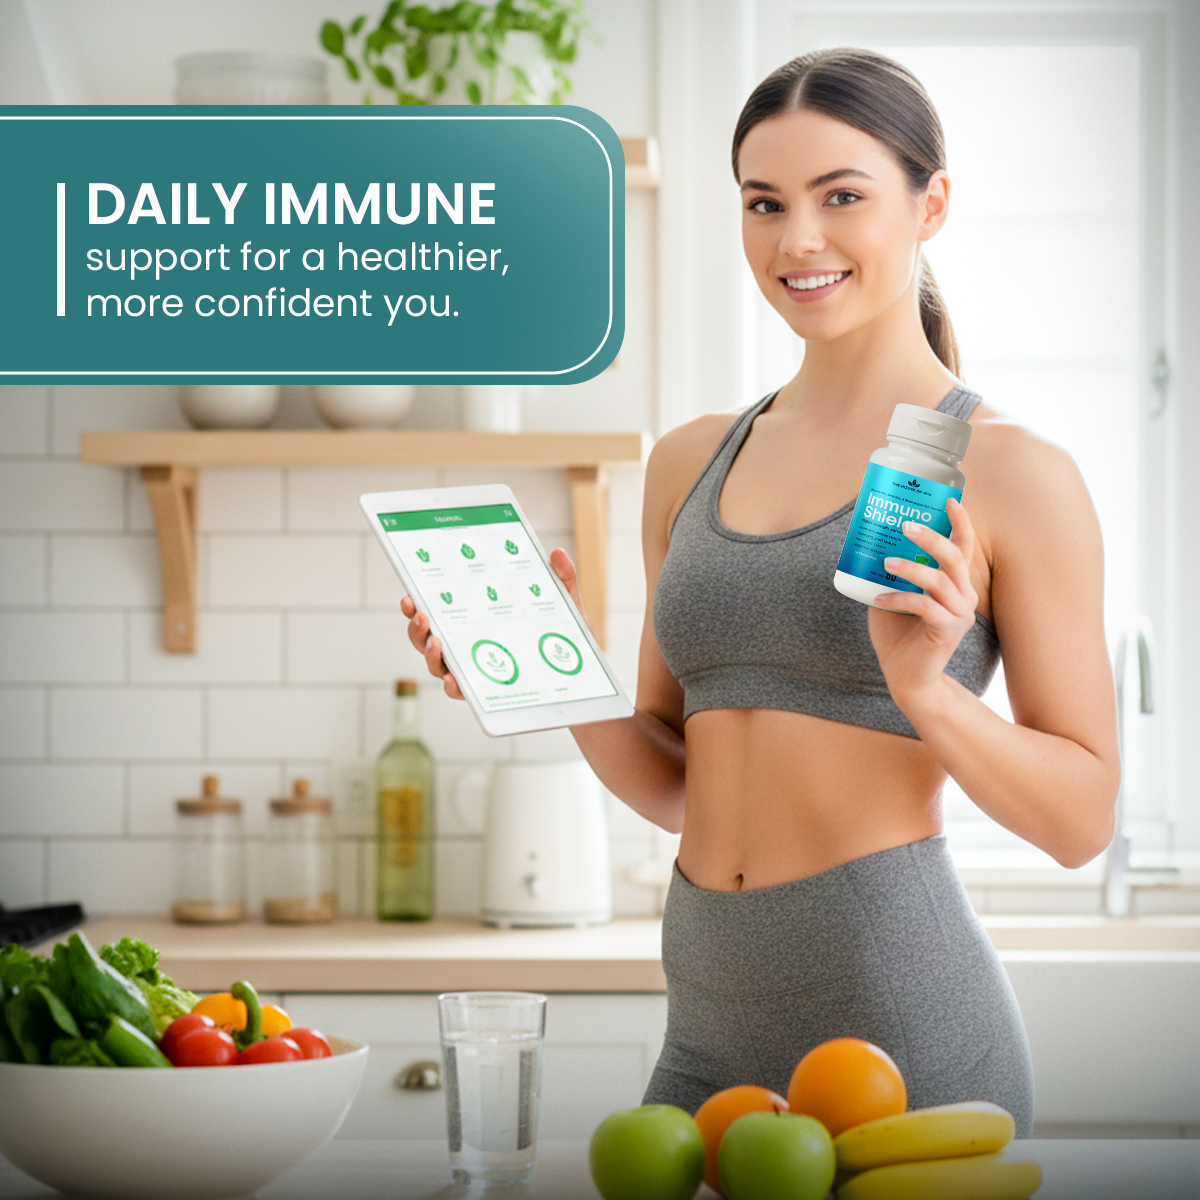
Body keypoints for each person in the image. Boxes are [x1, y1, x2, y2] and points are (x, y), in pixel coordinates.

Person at [401, 47, 1120, 1139]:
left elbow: (1082, 822)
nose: (799, 241)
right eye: (764, 203)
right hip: (705, 1031)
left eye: (843, 197)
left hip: (898, 1033)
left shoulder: (1013, 472)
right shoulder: (690, 460)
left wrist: (930, 695)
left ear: (931, 205)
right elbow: (677, 775)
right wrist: (548, 669)